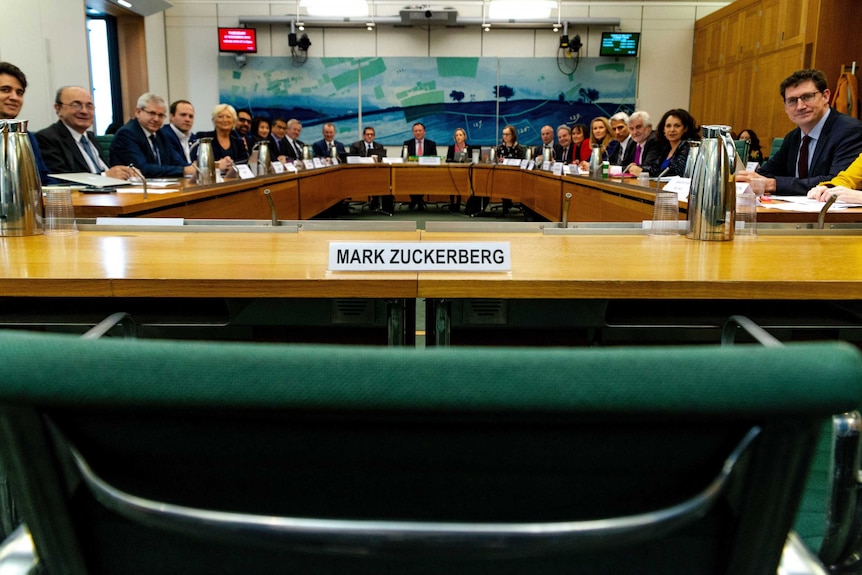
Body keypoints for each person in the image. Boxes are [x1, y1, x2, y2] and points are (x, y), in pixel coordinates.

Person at [737, 69, 862, 195]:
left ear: (825, 96)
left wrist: (772, 184)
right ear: (785, 107)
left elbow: (835, 183)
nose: (800, 106)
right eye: (792, 101)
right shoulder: (793, 137)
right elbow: (765, 173)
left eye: (807, 97)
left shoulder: (849, 131)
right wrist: (746, 178)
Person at [36, 85, 133, 179]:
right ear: (58, 109)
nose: (84, 111)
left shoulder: (90, 137)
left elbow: (105, 169)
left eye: (89, 106)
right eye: (76, 105)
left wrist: (127, 174)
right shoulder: (47, 138)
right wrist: (105, 177)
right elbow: (61, 181)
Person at [109, 92, 195, 178]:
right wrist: (184, 170)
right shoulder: (127, 134)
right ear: (138, 112)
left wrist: (192, 168)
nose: (156, 119)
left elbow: (175, 161)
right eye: (152, 113)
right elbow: (143, 169)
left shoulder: (160, 133)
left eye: (161, 115)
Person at [0, 62, 49, 184]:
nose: (14, 97)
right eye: (5, 90)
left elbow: (44, 179)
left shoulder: (26, 136)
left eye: (19, 93)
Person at [642, 108, 699, 177]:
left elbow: (675, 172)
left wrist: (643, 172)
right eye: (668, 126)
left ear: (685, 128)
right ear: (663, 129)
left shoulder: (688, 147)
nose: (672, 130)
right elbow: (655, 168)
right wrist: (640, 169)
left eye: (677, 126)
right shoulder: (666, 148)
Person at [192, 104, 249, 170]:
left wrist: (230, 164)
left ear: (234, 121)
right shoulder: (203, 137)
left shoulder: (238, 141)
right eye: (220, 116)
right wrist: (218, 165)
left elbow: (245, 161)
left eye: (228, 117)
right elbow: (196, 162)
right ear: (214, 120)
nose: (225, 120)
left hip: (233, 177)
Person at [349, 126, 389, 211]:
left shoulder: (379, 146)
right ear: (364, 136)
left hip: (376, 173)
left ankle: (377, 202)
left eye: (372, 134)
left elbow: (383, 160)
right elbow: (352, 160)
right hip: (360, 173)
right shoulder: (355, 146)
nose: (370, 136)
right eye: (368, 134)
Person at [403, 122, 437, 210]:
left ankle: (415, 201)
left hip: (427, 172)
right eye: (416, 131)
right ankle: (418, 200)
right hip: (411, 171)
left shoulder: (431, 144)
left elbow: (434, 159)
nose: (418, 132)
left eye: (420, 130)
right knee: (408, 179)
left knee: (424, 178)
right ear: (413, 132)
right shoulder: (407, 144)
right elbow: (403, 159)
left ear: (424, 132)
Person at [495, 124, 525, 214]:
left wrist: (507, 160)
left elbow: (522, 162)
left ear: (513, 135)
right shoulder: (500, 148)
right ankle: (506, 204)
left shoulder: (519, 148)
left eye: (507, 134)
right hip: (502, 174)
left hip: (516, 175)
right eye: (503, 134)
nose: (505, 136)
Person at [445, 127, 473, 213]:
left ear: (464, 136)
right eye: (456, 135)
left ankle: (458, 202)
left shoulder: (469, 148)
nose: (458, 137)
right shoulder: (451, 147)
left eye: (460, 135)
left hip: (465, 173)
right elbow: (448, 159)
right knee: (452, 182)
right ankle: (452, 202)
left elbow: (472, 160)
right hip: (452, 172)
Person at [160, 99, 196, 165]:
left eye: (191, 116)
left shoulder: (193, 138)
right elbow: (176, 163)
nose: (187, 119)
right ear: (171, 117)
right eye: (183, 115)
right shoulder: (163, 135)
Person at [624, 110, 658, 176]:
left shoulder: (654, 141)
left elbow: (646, 168)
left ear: (649, 128)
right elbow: (624, 164)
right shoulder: (632, 142)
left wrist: (628, 168)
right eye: (631, 129)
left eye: (638, 127)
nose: (634, 132)